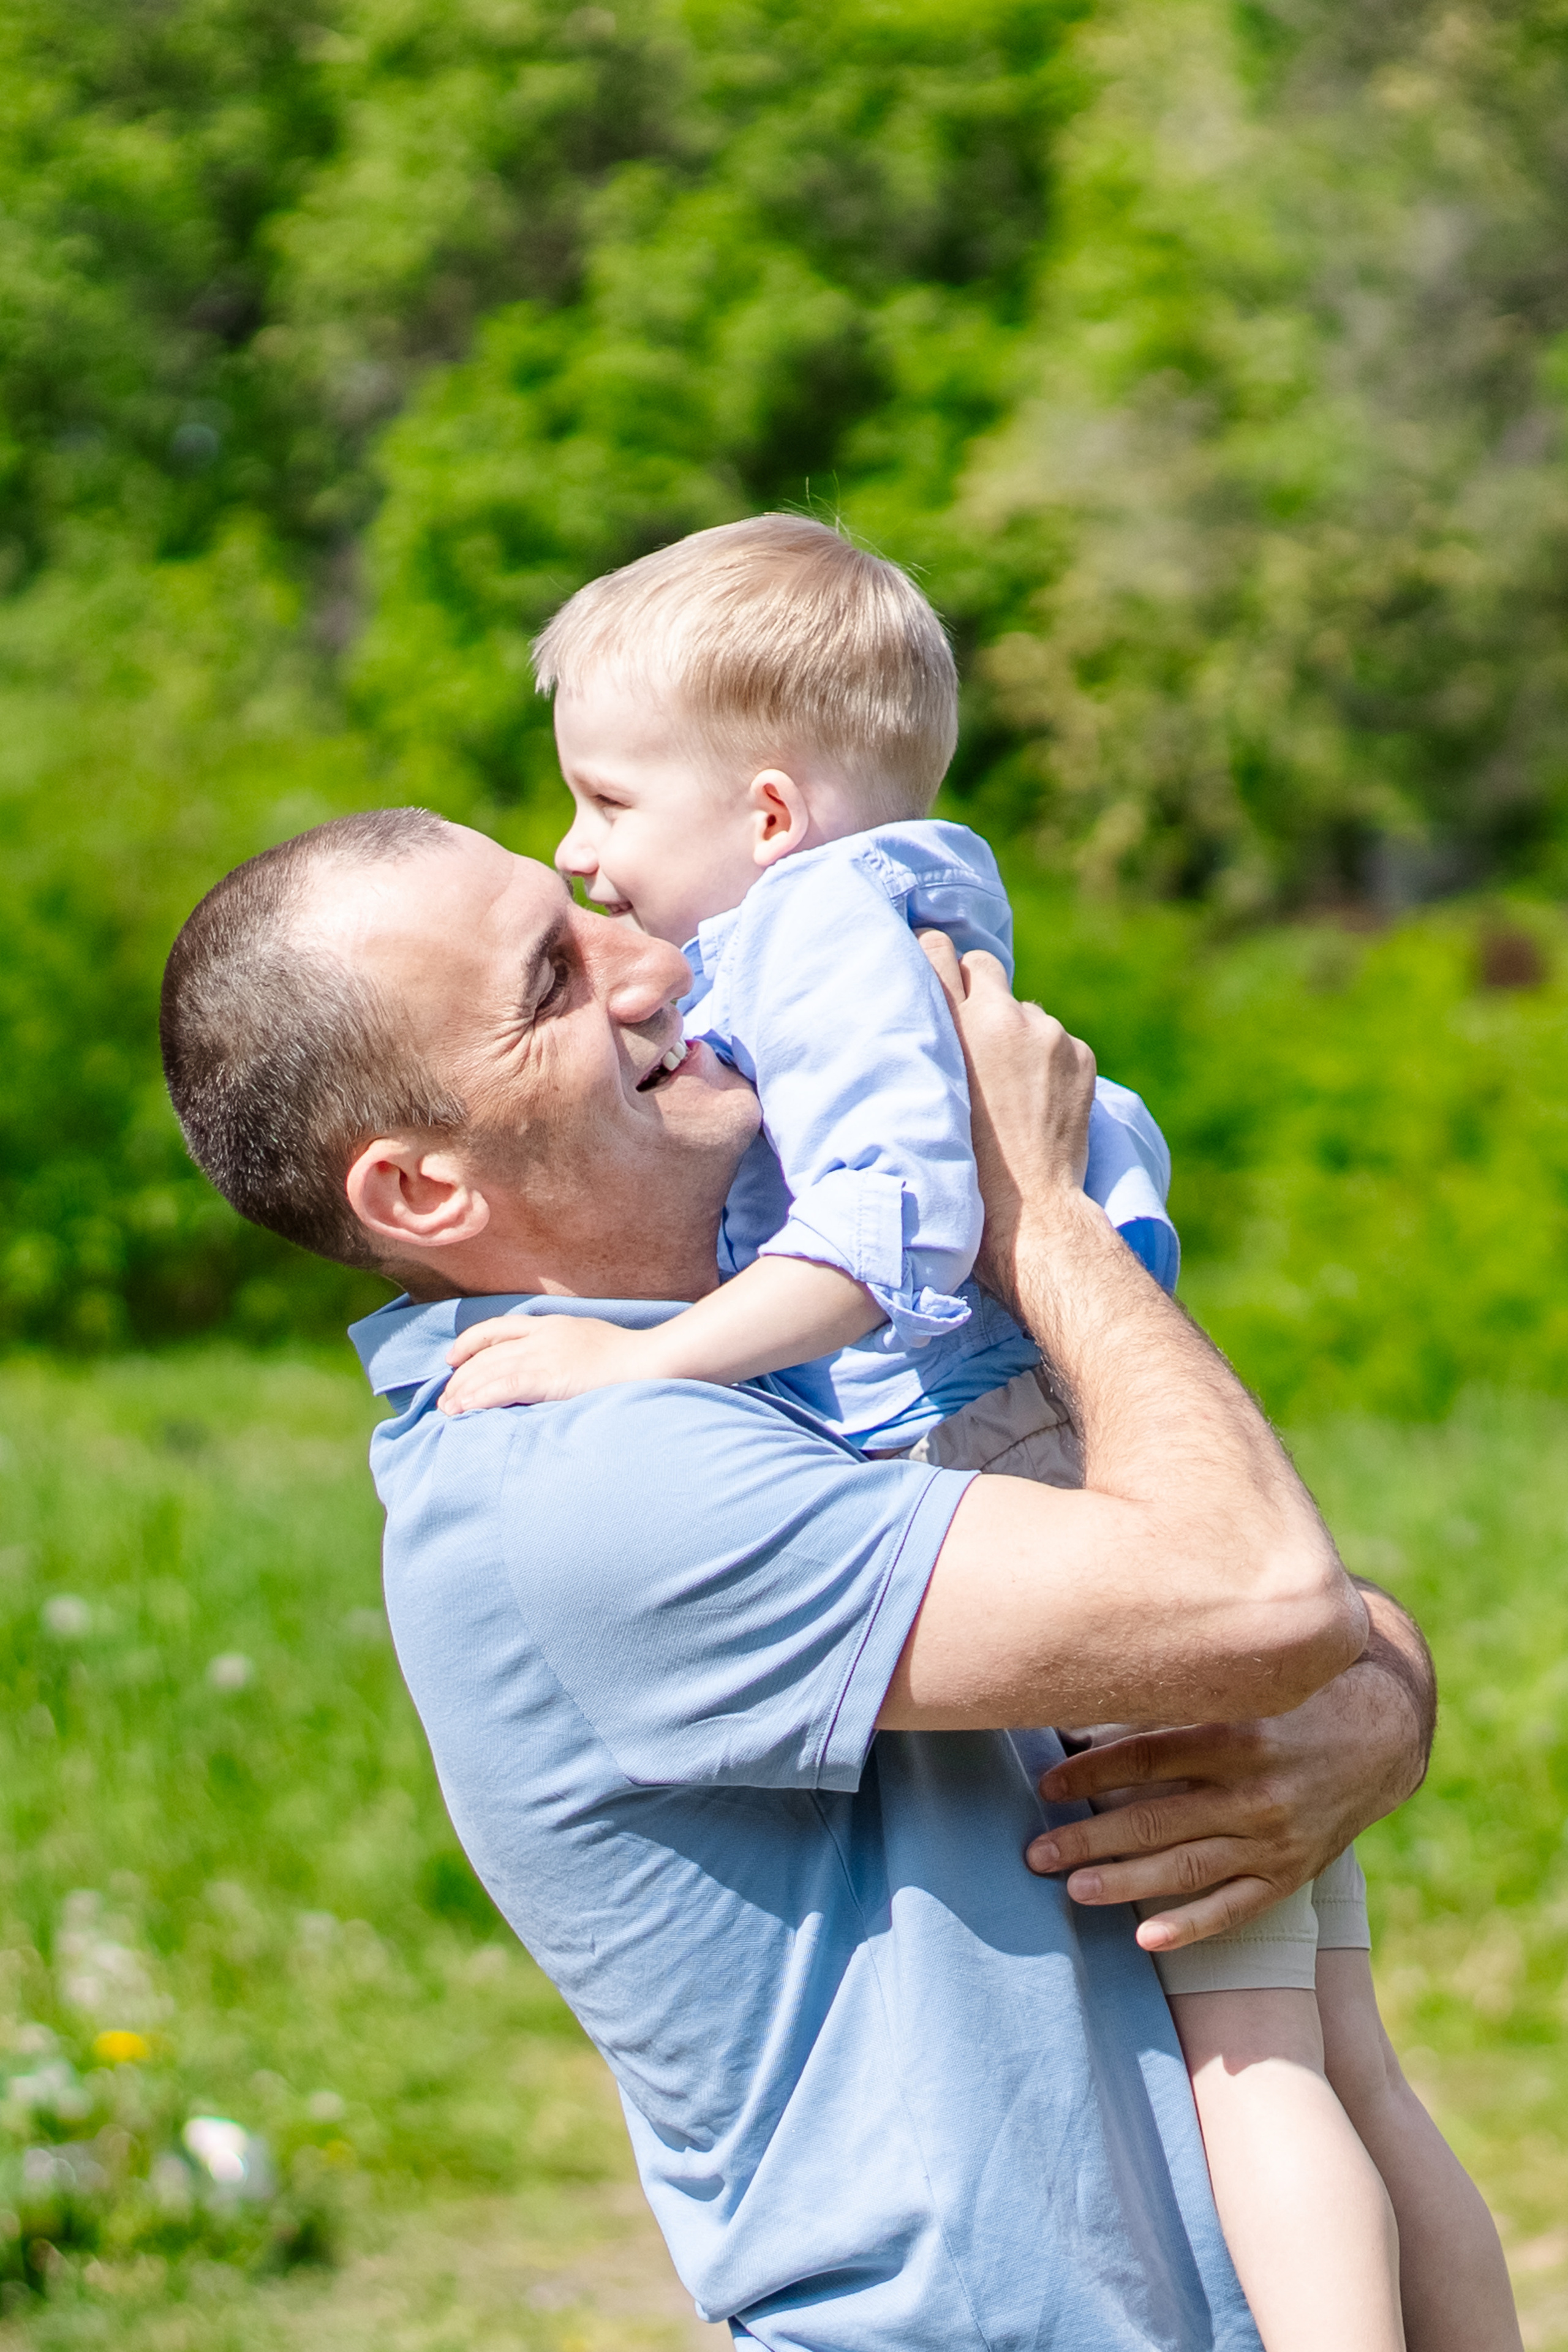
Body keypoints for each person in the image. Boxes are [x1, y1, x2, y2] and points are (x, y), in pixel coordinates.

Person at [430, 519, 1520, 2352]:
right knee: (1344, 2053)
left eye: (609, 806)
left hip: (1005, 1446)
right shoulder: (931, 916)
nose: (582, 853)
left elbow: (880, 1238)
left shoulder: (818, 947)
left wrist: (644, 1370)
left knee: (1261, 2067)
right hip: (1098, 1438)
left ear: (768, 815)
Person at [162, 805, 1455, 2350]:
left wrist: (1375, 1702)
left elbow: (1246, 1611)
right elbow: (1253, 1595)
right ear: (423, 1193)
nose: (656, 966)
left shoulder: (770, 1381)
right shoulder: (589, 1480)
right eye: (552, 983)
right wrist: (1033, 1204)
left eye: (594, 915)